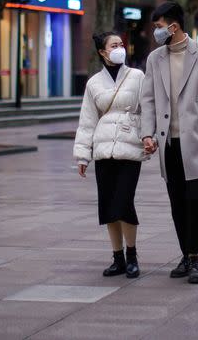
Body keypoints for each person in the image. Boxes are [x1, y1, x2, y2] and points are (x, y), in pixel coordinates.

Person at [140, 2, 198, 285]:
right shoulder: (155, 59)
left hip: (197, 142)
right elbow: (149, 99)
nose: (156, 32)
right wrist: (147, 134)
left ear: (173, 26)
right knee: (177, 203)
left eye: (158, 27)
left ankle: (195, 259)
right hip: (168, 144)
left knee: (196, 201)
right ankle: (185, 255)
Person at [74, 31, 147, 279]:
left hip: (129, 147)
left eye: (121, 44)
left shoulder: (137, 76)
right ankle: (117, 258)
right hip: (103, 151)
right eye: (113, 45)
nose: (119, 48)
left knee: (124, 202)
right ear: (102, 52)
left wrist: (150, 136)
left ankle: (132, 255)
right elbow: (87, 121)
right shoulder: (94, 83)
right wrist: (83, 156)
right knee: (107, 205)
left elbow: (149, 109)